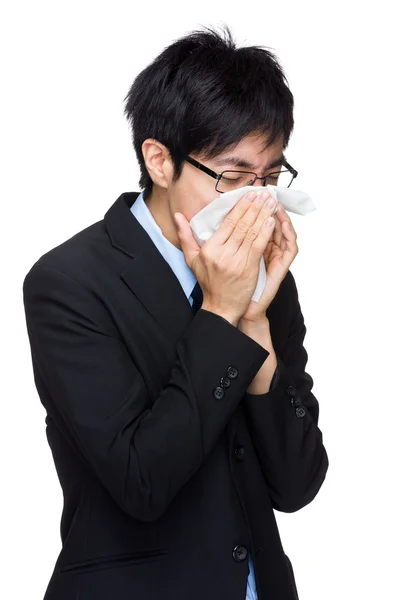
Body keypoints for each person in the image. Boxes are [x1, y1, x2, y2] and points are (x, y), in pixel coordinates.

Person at [22, 24, 329, 600]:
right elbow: (142, 482)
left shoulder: (269, 282)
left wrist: (256, 327)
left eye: (269, 176)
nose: (257, 200)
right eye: (234, 178)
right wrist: (220, 312)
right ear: (159, 161)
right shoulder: (67, 283)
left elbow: (297, 484)